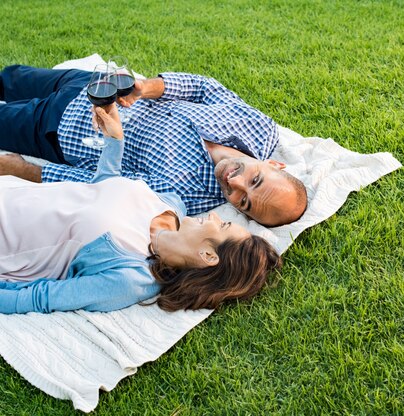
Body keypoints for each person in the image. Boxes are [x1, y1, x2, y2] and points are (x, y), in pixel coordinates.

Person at [0, 104, 282, 314]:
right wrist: (114, 141)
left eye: (222, 226)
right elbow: (101, 189)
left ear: (208, 255)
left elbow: (41, 297)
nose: (215, 216)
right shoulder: (172, 203)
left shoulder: (132, 277)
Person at [0, 64, 307, 227]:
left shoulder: (188, 196)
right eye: (255, 180)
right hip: (95, 85)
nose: (235, 183)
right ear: (275, 164)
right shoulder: (260, 128)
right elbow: (203, 88)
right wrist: (147, 87)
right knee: (11, 76)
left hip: (62, 129)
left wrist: (23, 169)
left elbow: (106, 186)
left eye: (243, 202)